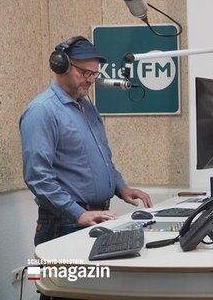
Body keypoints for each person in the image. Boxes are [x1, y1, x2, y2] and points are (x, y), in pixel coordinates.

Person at [19, 36, 152, 251]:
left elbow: (103, 159)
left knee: (92, 283)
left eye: (94, 73)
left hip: (93, 217)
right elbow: (38, 176)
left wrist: (121, 188)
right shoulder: (42, 111)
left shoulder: (87, 107)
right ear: (61, 66)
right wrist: (78, 213)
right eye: (85, 72)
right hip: (63, 222)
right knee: (61, 283)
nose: (91, 79)